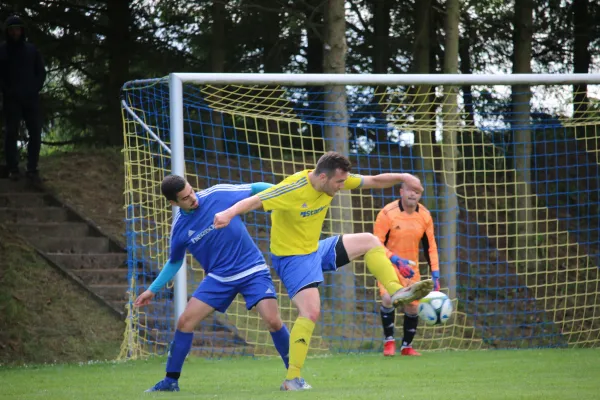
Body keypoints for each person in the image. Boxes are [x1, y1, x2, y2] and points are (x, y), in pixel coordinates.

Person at [213, 151, 434, 391]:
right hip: (292, 259)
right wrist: (227, 213)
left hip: (315, 250)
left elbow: (373, 181)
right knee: (310, 312)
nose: (342, 186)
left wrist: (404, 176)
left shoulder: (333, 180)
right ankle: (292, 379)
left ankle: (396, 292)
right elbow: (254, 201)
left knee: (370, 241)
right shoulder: (293, 188)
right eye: (338, 182)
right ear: (322, 177)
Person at [134, 175, 290, 392]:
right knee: (185, 322)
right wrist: (152, 290)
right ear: (174, 203)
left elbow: (255, 188)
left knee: (273, 321)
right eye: (186, 198)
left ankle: (295, 376)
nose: (193, 198)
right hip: (219, 278)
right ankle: (170, 381)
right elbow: (175, 261)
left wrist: (288, 194)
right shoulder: (179, 229)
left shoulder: (217, 194)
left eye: (191, 191)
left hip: (252, 270)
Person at [374, 183, 440, 357]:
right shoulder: (387, 213)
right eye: (410, 190)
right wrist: (395, 260)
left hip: (411, 268)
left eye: (417, 191)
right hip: (388, 264)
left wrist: (435, 273)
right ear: (401, 191)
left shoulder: (425, 215)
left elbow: (430, 246)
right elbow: (376, 244)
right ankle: (389, 342)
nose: (413, 194)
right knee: (389, 298)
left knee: (412, 307)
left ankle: (407, 346)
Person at [0, 15, 46, 180]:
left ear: (22, 30)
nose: (15, 32)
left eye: (17, 29)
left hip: (30, 98)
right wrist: (8, 90)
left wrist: (34, 88)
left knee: (35, 132)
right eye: (12, 30)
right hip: (12, 100)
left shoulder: (31, 50)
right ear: (8, 31)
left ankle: (32, 168)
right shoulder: (3, 50)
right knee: (11, 132)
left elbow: (41, 72)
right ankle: (13, 168)